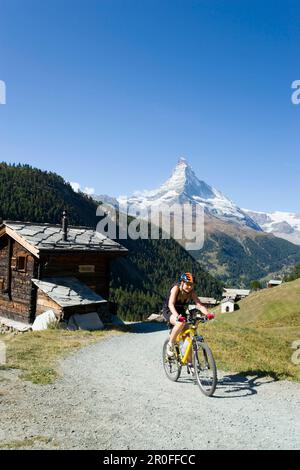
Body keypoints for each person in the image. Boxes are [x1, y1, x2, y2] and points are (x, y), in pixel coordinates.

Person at [163, 272, 214, 358]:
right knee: (180, 324)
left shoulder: (191, 292)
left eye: (192, 285)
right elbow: (171, 304)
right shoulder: (176, 288)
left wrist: (208, 314)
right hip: (169, 310)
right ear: (182, 282)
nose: (190, 287)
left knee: (187, 338)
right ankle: (170, 344)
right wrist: (176, 316)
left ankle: (190, 365)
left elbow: (199, 305)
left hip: (181, 311)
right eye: (188, 284)